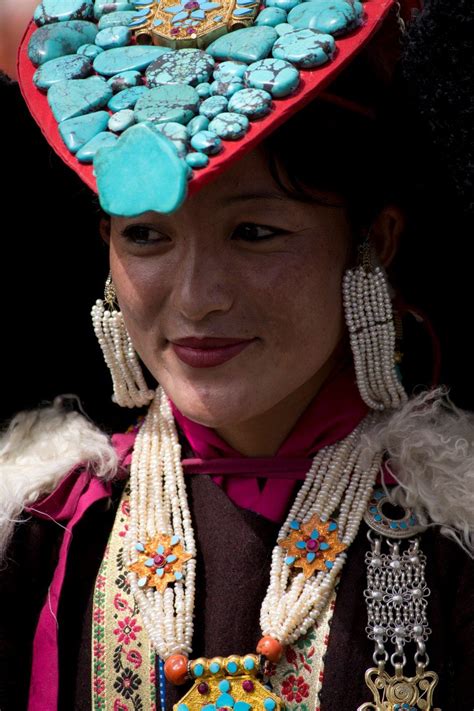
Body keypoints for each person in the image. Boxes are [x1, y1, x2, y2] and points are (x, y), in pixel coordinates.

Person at [1, 1, 473, 710]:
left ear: (374, 240)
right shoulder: (46, 530)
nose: (196, 298)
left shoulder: (454, 534)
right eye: (147, 237)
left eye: (253, 231)